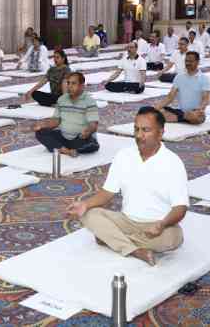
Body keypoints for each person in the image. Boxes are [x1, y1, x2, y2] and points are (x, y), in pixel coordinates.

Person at [67, 106, 188, 266]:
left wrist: (162, 224)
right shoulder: (124, 156)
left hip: (156, 226)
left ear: (161, 132)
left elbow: (180, 207)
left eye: (145, 130)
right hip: (126, 220)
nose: (139, 135)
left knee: (173, 238)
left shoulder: (173, 163)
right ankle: (134, 250)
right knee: (89, 214)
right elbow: (107, 193)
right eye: (136, 129)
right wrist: (85, 204)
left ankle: (112, 239)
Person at [34, 72, 99, 157]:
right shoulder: (62, 99)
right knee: (40, 133)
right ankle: (67, 151)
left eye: (73, 83)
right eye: (68, 83)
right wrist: (43, 125)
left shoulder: (89, 102)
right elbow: (56, 121)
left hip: (80, 139)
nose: (69, 86)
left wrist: (87, 131)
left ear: (82, 86)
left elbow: (93, 125)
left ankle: (59, 147)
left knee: (91, 145)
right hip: (64, 137)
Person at [155, 51, 210, 124]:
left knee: (195, 118)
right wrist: (156, 108)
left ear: (197, 62)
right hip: (180, 111)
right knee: (156, 110)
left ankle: (177, 117)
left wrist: (199, 109)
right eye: (186, 61)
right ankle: (181, 117)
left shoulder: (204, 78)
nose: (187, 63)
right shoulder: (179, 77)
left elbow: (205, 99)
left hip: (195, 112)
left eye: (190, 61)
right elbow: (170, 97)